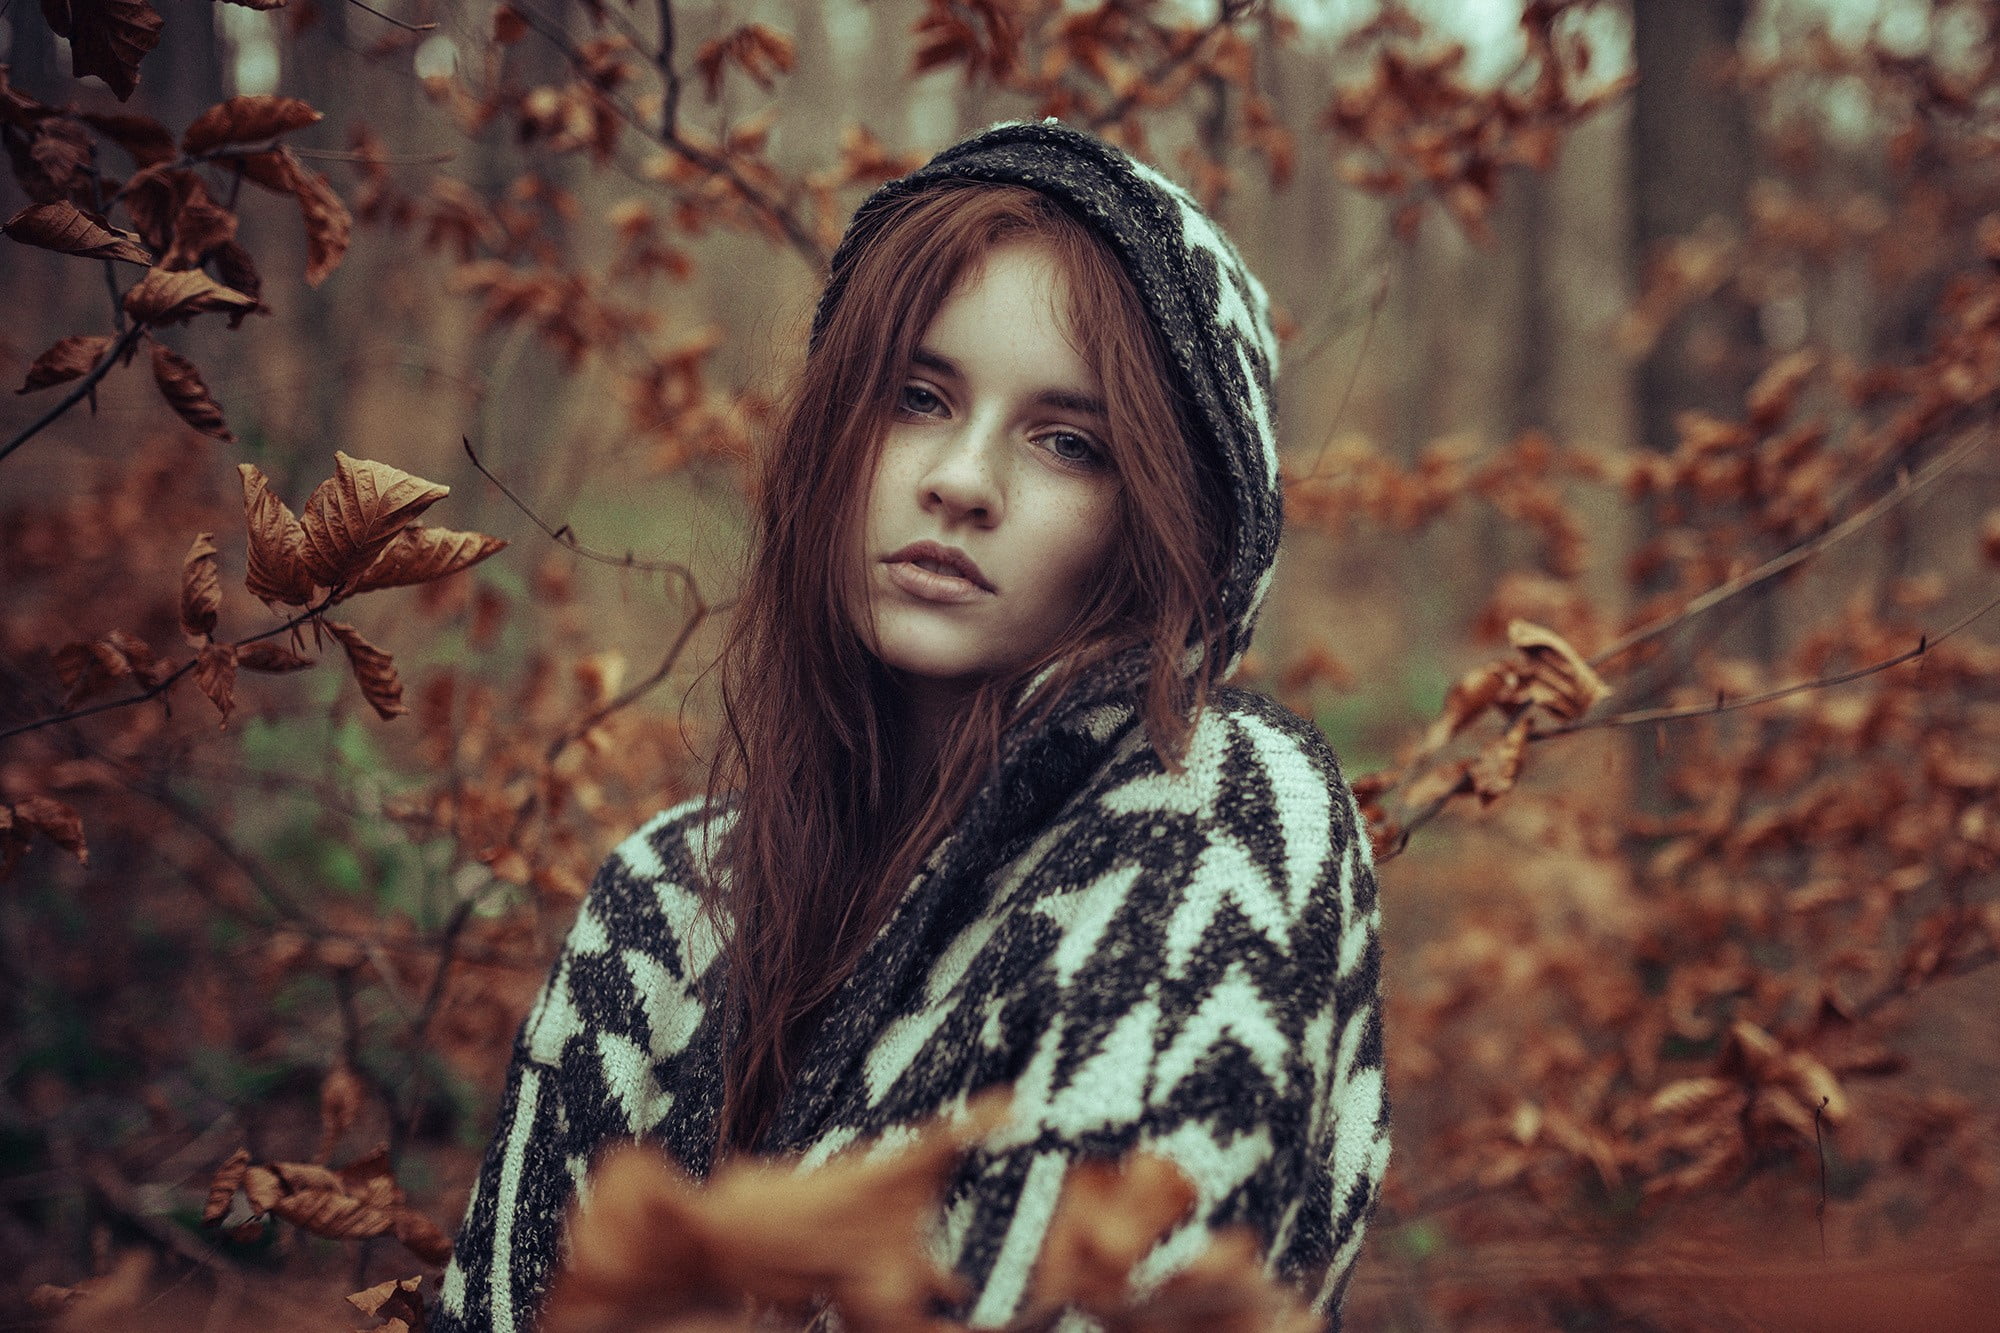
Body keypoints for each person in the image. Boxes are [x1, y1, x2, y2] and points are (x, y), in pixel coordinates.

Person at [435, 118, 1388, 1333]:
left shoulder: (1221, 806)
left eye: (1066, 442)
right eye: (916, 397)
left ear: (1169, 527)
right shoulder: (667, 898)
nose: (961, 478)